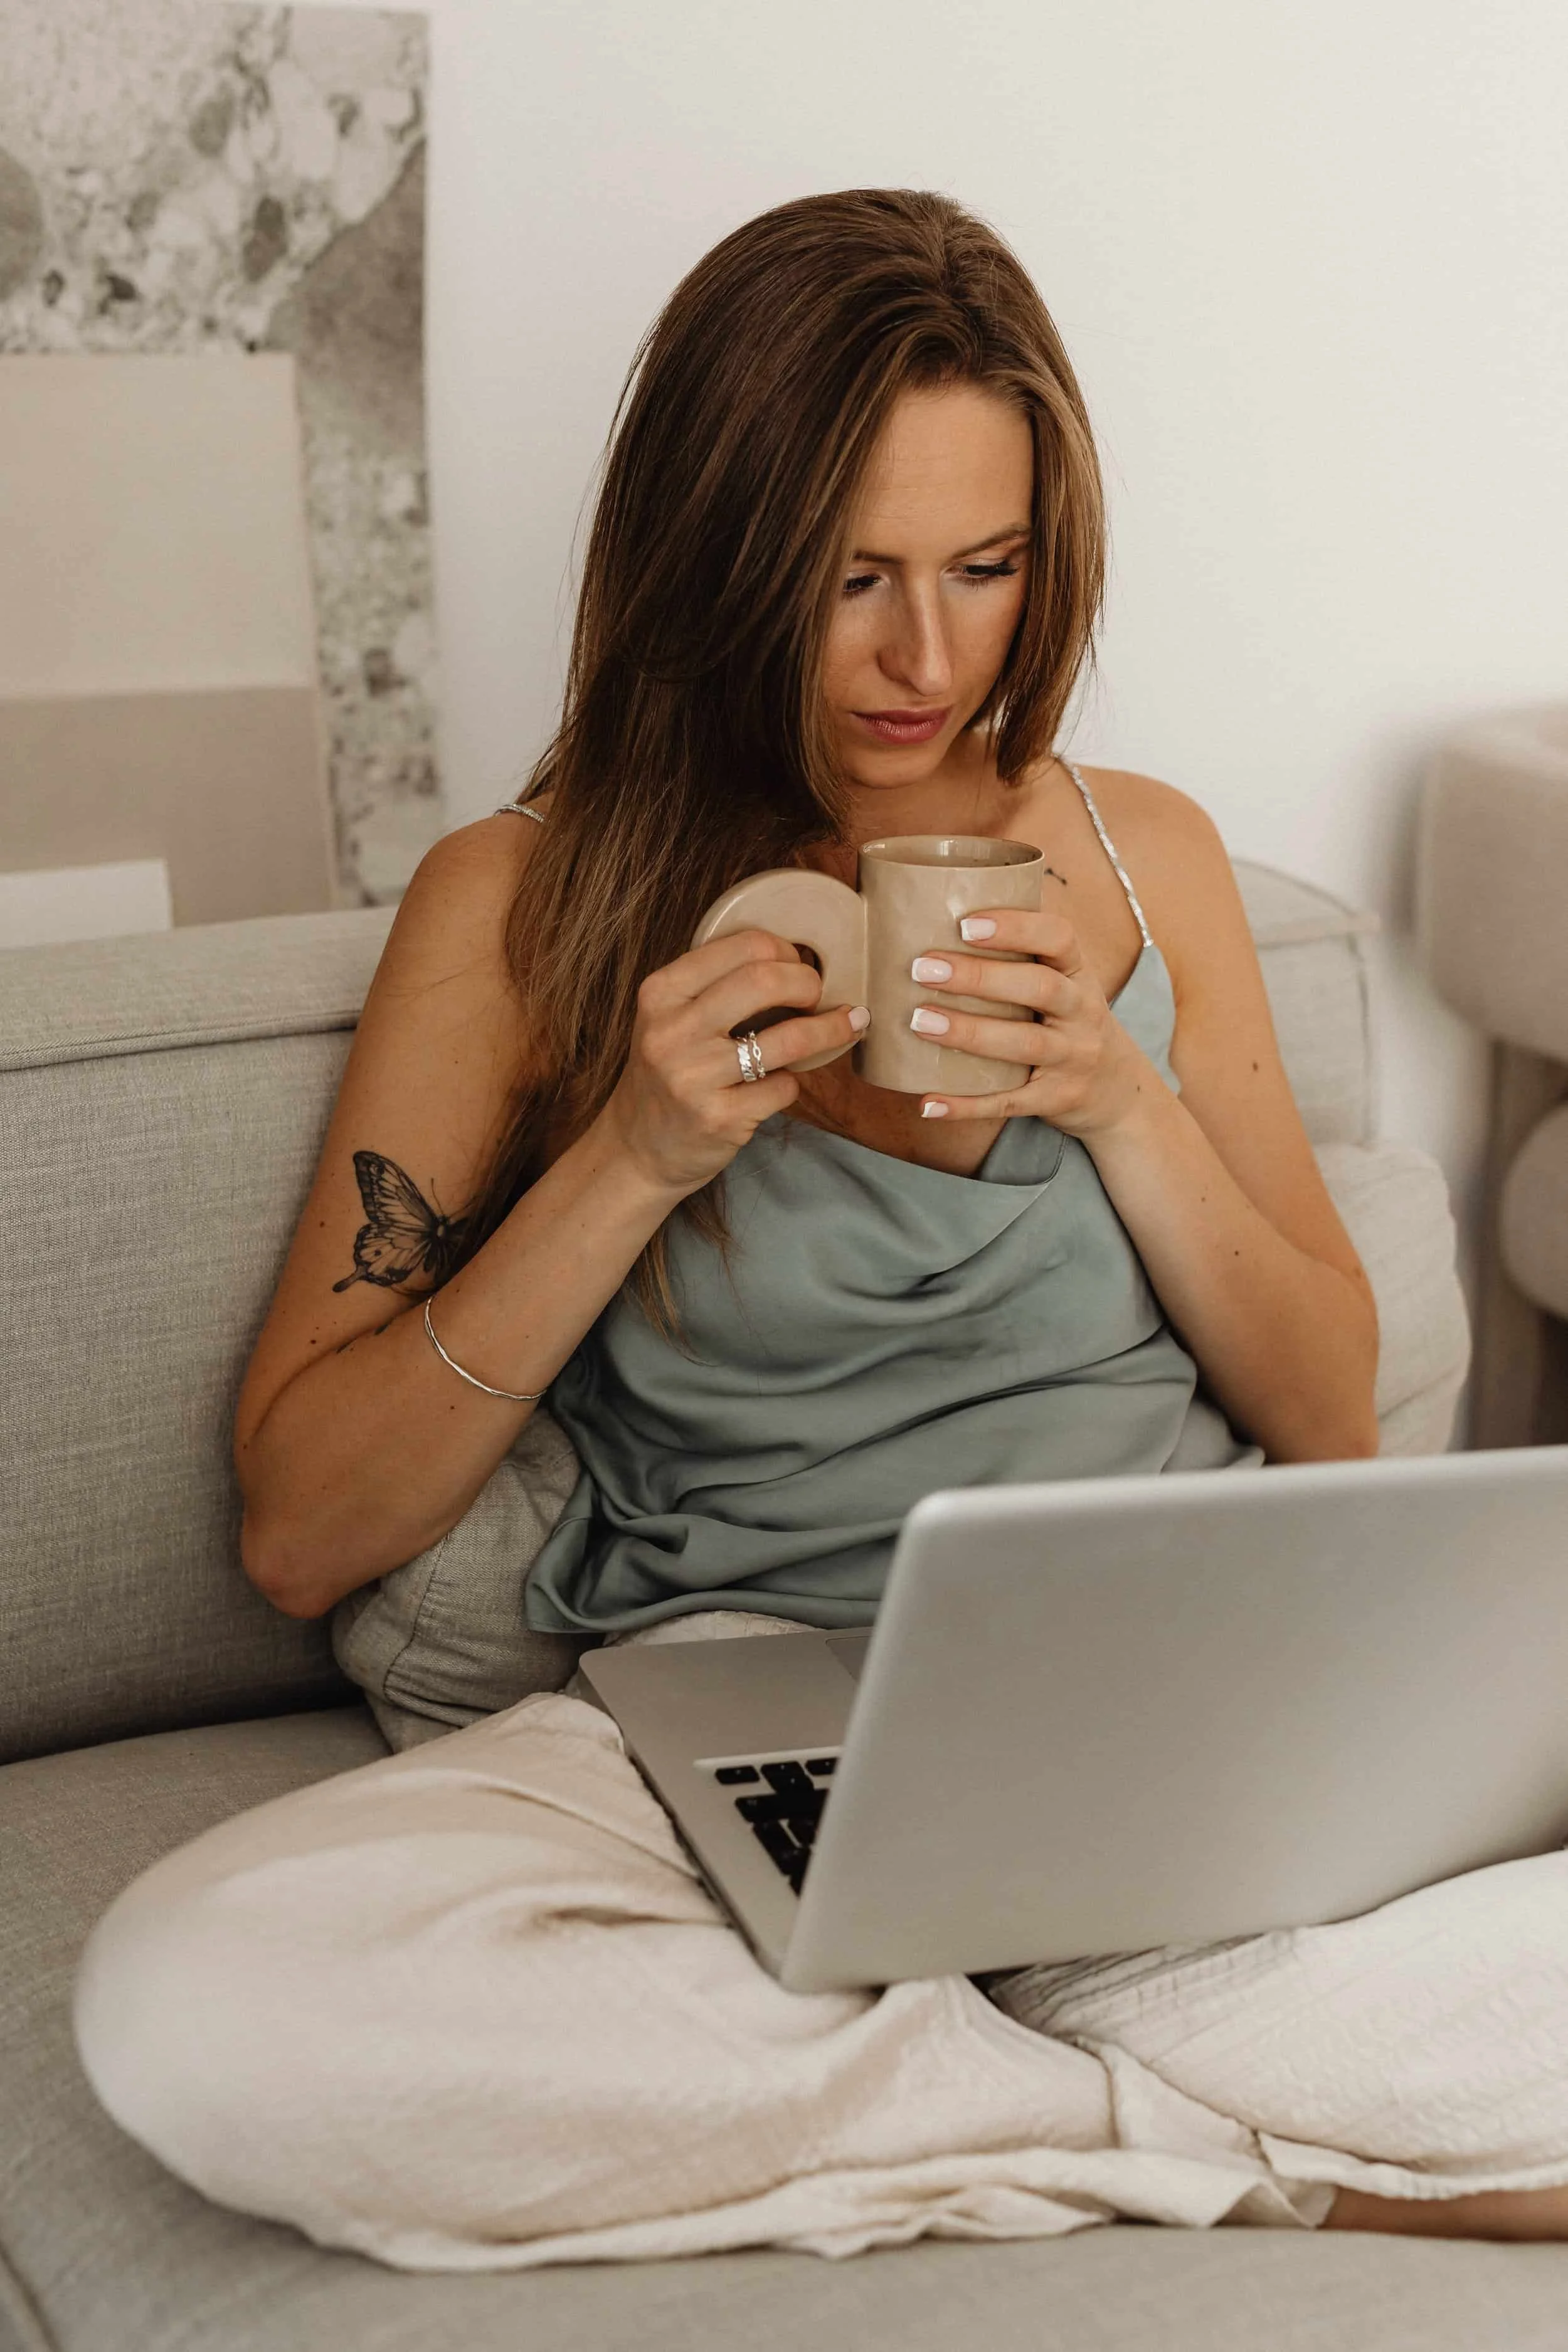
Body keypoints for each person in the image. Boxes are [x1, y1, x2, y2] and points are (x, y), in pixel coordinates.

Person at [72, 190, 1568, 2268]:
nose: (926, 658)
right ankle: (1219, 2147)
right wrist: (633, 1156)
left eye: (984, 567)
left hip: (1167, 1715)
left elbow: (1327, 1419)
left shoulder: (1141, 862)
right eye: (849, 577)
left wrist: (1115, 1096)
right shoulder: (522, 908)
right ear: (718, 556)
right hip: (740, 1728)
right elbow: (300, 1528)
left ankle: (971, 2088)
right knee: (199, 2005)